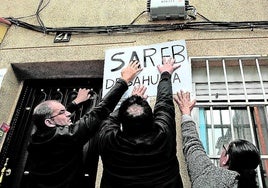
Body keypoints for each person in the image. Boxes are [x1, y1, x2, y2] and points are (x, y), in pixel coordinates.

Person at [26, 60, 142, 188]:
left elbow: (56, 117)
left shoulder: (37, 139)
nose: (68, 114)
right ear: (49, 122)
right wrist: (124, 81)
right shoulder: (66, 137)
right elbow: (98, 113)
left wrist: (75, 103)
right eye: (63, 112)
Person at [98, 57, 184, 188]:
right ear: (152, 118)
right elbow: (165, 104)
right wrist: (165, 74)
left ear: (122, 122)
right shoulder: (164, 135)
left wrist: (132, 96)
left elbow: (107, 116)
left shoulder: (109, 140)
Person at [174, 90, 261, 188]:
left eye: (224, 148)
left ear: (226, 159)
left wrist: (186, 113)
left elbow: (193, 145)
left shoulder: (210, 177)